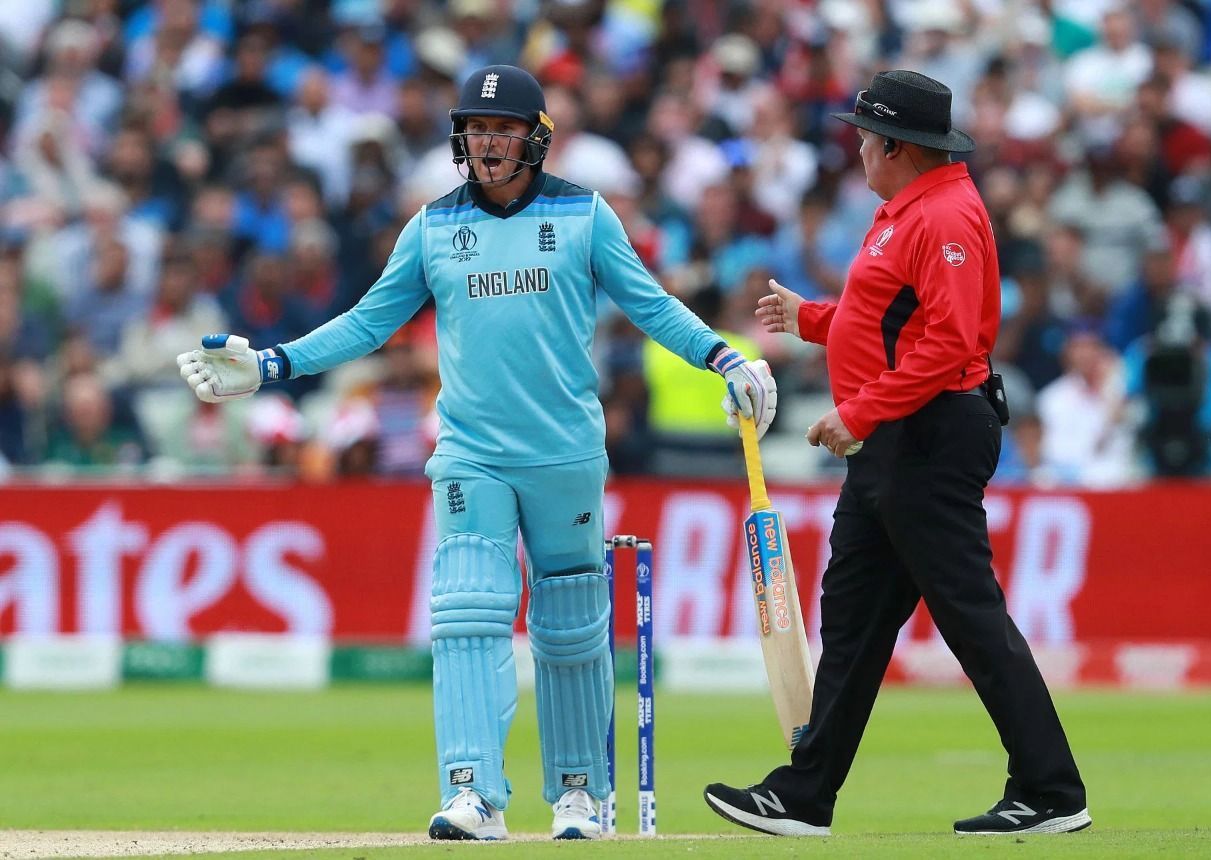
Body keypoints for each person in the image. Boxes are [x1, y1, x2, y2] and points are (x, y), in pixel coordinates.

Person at [175, 64, 776, 841]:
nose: (488, 143)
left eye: (503, 129)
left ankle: (579, 795)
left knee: (569, 624)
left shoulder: (585, 215)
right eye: (476, 130)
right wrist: (272, 365)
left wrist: (723, 357)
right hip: (470, 452)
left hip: (563, 452)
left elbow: (651, 305)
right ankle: (473, 794)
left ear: (536, 136)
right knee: (467, 611)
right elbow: (367, 322)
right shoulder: (430, 227)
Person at [703, 71, 1089, 837]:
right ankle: (804, 794)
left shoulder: (943, 215)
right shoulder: (909, 208)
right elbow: (887, 315)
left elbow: (947, 343)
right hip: (898, 437)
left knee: (966, 614)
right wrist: (811, 319)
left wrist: (859, 413)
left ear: (895, 145)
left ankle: (1051, 790)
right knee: (853, 619)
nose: (856, 147)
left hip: (924, 435)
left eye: (863, 136)